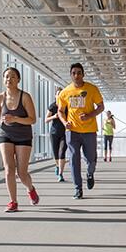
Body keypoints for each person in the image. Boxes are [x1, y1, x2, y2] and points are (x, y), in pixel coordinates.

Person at [0, 66, 39, 212]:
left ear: (18, 80)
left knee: (21, 173)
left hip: (23, 136)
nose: (9, 79)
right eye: (6, 76)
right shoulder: (0, 97)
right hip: (6, 135)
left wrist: (15, 118)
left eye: (12, 76)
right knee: (9, 169)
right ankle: (13, 201)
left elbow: (32, 119)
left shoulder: (25, 97)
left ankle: (30, 189)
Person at [57, 63, 105, 199]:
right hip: (72, 131)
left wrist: (89, 115)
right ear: (71, 75)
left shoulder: (92, 89)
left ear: (83, 74)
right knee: (74, 159)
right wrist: (65, 122)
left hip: (89, 130)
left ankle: (90, 173)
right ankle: (78, 188)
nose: (76, 75)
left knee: (91, 159)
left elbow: (101, 106)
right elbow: (60, 111)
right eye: (74, 73)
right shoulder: (65, 92)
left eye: (79, 73)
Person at [45, 90, 67, 182]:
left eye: (61, 94)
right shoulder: (52, 106)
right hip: (54, 133)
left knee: (61, 152)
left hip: (65, 133)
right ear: (55, 95)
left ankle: (61, 174)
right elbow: (46, 120)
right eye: (58, 94)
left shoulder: (67, 106)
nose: (60, 96)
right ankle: (57, 166)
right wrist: (54, 116)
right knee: (56, 154)